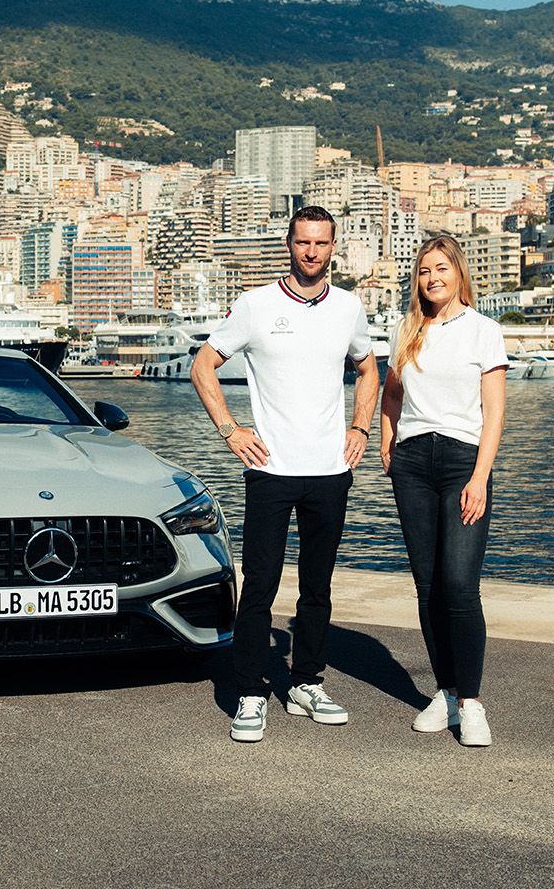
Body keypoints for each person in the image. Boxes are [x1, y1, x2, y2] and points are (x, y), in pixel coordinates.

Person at [192, 206, 379, 743]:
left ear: (334, 246)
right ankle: (250, 693)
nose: (312, 252)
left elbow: (368, 369)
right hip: (271, 469)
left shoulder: (348, 307)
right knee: (260, 587)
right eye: (303, 242)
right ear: (289, 245)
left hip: (330, 469)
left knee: (317, 587)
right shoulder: (254, 306)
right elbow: (204, 364)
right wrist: (231, 430)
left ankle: (305, 682)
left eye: (321, 243)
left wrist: (361, 428)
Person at [378, 234, 507, 746]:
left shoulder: (483, 331)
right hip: (412, 464)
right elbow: (392, 393)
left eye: (441, 269)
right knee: (428, 586)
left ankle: (471, 703)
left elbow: (494, 411)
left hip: (462, 463)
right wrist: (388, 444)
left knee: (459, 585)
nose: (432, 279)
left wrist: (479, 477)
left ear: (458, 273)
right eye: (424, 271)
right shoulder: (406, 330)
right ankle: (446, 692)